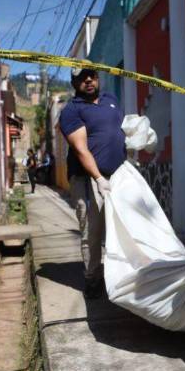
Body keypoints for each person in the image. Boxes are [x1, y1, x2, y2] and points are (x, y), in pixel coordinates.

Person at [59, 68, 126, 299]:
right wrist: (98, 178)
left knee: (122, 229)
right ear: (74, 82)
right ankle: (93, 279)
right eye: (82, 78)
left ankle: (122, 276)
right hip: (88, 180)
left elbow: (120, 130)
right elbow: (80, 148)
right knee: (92, 232)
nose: (88, 80)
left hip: (119, 177)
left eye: (92, 76)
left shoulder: (111, 100)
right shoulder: (71, 111)